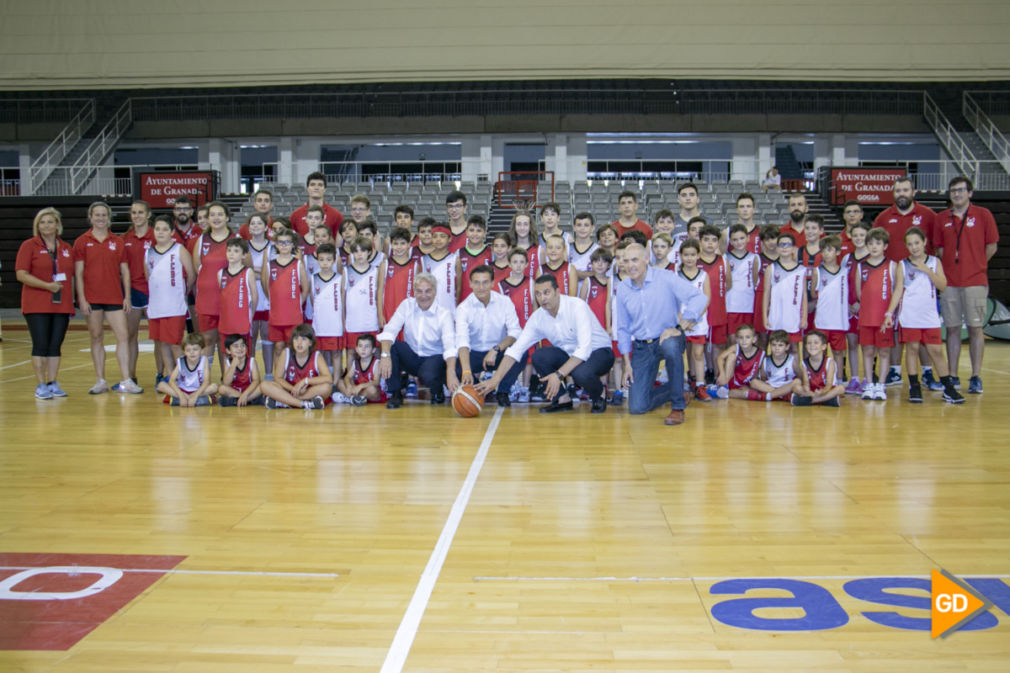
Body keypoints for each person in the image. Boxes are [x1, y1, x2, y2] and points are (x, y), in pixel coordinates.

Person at [476, 273, 614, 413]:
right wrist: (495, 380)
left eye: (546, 292)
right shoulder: (538, 318)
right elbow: (515, 350)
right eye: (538, 294)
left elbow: (584, 350)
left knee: (581, 373)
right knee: (539, 356)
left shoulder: (577, 306)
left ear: (557, 292)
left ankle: (599, 395)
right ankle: (562, 399)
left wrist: (558, 375)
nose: (542, 298)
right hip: (571, 356)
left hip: (600, 352)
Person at [614, 243, 707, 425]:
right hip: (642, 346)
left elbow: (700, 298)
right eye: (626, 261)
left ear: (646, 259)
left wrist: (680, 327)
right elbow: (623, 328)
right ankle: (679, 391)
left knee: (671, 346)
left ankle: (678, 407)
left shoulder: (666, 278)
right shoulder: (623, 288)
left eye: (635, 260)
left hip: (668, 337)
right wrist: (627, 363)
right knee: (637, 407)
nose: (630, 265)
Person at [934, 175, 999, 394]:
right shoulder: (941, 218)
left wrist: (976, 265)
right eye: (953, 191)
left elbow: (991, 246)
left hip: (975, 282)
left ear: (970, 193)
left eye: (961, 190)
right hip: (950, 283)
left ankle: (975, 376)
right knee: (951, 329)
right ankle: (952, 375)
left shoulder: (983, 215)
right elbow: (940, 251)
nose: (957, 194)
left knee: (975, 328)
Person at [73, 201, 141, 394]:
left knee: (123, 336)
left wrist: (127, 296)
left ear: (108, 217)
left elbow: (125, 272)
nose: (101, 218)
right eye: (97, 215)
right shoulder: (81, 241)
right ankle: (100, 380)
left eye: (104, 215)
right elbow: (78, 274)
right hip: (92, 298)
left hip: (114, 298)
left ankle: (126, 380)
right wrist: (82, 299)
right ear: (91, 217)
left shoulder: (118, 242)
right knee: (96, 337)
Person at [15, 207, 76, 399]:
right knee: (40, 344)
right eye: (42, 222)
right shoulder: (29, 245)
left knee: (55, 345)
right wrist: (47, 286)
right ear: (37, 226)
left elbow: (71, 276)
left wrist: (73, 299)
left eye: (50, 222)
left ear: (58, 225)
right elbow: (21, 274)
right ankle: (40, 384)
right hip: (37, 303)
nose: (46, 225)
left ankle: (53, 382)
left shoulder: (66, 248)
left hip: (61, 304)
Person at [898, 228, 964, 404]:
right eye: (910, 244)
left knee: (936, 351)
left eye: (917, 243)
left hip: (929, 315)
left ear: (924, 242)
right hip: (910, 314)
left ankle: (948, 389)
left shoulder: (935, 262)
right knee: (911, 349)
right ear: (906, 246)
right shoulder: (902, 264)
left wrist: (928, 271)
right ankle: (914, 386)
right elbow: (898, 290)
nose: (914, 247)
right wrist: (890, 313)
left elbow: (942, 285)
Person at [379, 273, 458, 409]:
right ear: (414, 292)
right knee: (391, 347)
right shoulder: (407, 305)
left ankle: (437, 390)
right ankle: (396, 394)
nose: (423, 296)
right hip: (412, 356)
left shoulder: (444, 314)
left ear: (434, 291)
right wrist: (385, 355)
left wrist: (450, 372)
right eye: (419, 291)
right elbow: (389, 330)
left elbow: (450, 346)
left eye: (428, 291)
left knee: (427, 374)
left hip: (434, 358)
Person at [454, 265, 524, 407]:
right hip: (473, 353)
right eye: (477, 283)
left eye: (485, 282)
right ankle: (479, 389)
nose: (481, 287)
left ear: (492, 283)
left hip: (497, 353)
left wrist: (496, 349)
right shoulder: (463, 308)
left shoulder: (504, 302)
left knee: (521, 354)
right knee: (452, 367)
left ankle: (502, 391)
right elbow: (462, 341)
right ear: (470, 284)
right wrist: (466, 370)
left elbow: (515, 332)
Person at [145, 215, 195, 385]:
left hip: (174, 306)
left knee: (175, 343)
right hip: (156, 306)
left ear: (172, 232)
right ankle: (170, 376)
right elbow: (149, 278)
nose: (161, 232)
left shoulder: (179, 249)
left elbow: (191, 275)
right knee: (162, 344)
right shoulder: (148, 252)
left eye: (165, 229)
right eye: (157, 229)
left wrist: (182, 292)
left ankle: (183, 377)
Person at [857, 228, 904, 401]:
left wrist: (889, 314)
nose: (874, 246)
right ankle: (869, 383)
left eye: (878, 243)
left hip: (884, 318)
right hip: (867, 317)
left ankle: (881, 385)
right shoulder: (861, 266)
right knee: (867, 351)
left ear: (885, 245)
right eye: (870, 243)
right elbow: (859, 292)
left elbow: (897, 291)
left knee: (884, 352)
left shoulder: (893, 266)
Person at [192, 201, 237, 371]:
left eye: (220, 214)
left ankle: (227, 382)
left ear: (227, 217)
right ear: (208, 218)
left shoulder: (236, 240)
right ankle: (206, 382)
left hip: (229, 300)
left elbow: (244, 266)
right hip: (207, 299)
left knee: (226, 342)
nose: (216, 218)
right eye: (212, 215)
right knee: (208, 340)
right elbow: (198, 269)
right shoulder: (202, 240)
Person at [122, 200, 157, 384]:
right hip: (133, 291)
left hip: (153, 293)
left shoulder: (157, 236)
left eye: (140, 212)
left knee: (158, 336)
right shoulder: (125, 238)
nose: (137, 216)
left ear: (148, 214)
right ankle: (130, 376)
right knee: (130, 335)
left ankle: (162, 375)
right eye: (134, 212)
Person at [262, 229, 310, 362]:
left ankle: (293, 376)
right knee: (278, 346)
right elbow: (266, 288)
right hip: (276, 314)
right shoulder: (269, 265)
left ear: (293, 245)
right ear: (276, 245)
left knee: (294, 346)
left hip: (293, 315)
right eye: (281, 242)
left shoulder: (298, 264)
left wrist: (298, 303)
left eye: (287, 242)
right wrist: (275, 302)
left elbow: (305, 288)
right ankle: (279, 378)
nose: (284, 245)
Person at [260, 324, 331, 409]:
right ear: (292, 341)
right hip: (289, 390)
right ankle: (304, 404)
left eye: (304, 339)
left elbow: (328, 378)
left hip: (307, 391)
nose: (299, 343)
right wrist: (293, 389)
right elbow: (278, 378)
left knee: (327, 387)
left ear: (310, 343)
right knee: (264, 385)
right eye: (296, 339)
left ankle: (285, 402)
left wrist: (305, 381)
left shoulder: (316, 356)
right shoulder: (286, 353)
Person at [810, 236, 849, 386]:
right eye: (823, 250)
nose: (826, 253)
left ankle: (838, 380)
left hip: (838, 320)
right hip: (822, 320)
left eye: (830, 250)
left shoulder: (845, 271)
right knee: (820, 352)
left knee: (839, 352)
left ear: (838, 252)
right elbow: (814, 293)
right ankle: (821, 379)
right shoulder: (817, 272)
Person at [676, 240, 712, 400]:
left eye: (692, 254)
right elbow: (672, 299)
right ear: (681, 256)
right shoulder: (675, 275)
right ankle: (679, 385)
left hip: (698, 321)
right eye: (686, 255)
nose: (689, 258)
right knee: (678, 354)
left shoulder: (704, 275)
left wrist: (694, 318)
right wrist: (681, 319)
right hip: (680, 320)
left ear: (698, 255)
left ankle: (700, 385)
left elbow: (707, 299)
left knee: (698, 354)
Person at [343, 236, 385, 371]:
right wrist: (343, 318)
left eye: (363, 251)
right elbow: (343, 296)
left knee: (375, 350)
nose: (359, 254)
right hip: (353, 319)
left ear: (369, 252)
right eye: (356, 251)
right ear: (352, 253)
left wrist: (379, 316)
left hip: (370, 317)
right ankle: (349, 379)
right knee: (351, 351)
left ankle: (378, 380)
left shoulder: (376, 270)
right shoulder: (346, 270)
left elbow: (379, 294)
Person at [763, 233, 806, 350]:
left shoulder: (801, 270)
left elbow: (804, 295)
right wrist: (764, 316)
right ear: (777, 248)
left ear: (793, 248)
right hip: (776, 316)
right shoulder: (771, 268)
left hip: (793, 316)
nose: (784, 247)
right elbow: (766, 293)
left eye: (788, 244)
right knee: (776, 348)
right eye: (781, 244)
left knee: (794, 349)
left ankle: (795, 369)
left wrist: (804, 317)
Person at [246, 213, 275, 379]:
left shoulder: (273, 247)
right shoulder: (244, 246)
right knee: (249, 336)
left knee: (266, 335)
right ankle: (248, 374)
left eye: (259, 223)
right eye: (252, 223)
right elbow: (243, 270)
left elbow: (272, 273)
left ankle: (269, 374)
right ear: (248, 227)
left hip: (267, 296)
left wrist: (257, 271)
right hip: (249, 296)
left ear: (266, 227)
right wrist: (262, 272)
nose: (255, 226)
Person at [310, 243, 345, 374]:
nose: (325, 263)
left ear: (334, 260)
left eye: (328, 259)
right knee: (322, 353)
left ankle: (336, 381)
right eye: (321, 259)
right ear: (317, 260)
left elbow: (342, 301)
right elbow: (313, 301)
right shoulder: (313, 278)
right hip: (320, 324)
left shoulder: (340, 278)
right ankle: (325, 379)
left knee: (336, 353)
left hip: (335, 324)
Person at [156, 332, 217, 406]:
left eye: (195, 349)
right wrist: (181, 396)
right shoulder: (181, 361)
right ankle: (188, 399)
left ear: (202, 350)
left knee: (214, 387)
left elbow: (206, 381)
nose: (192, 352)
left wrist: (195, 395)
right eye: (188, 350)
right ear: (184, 352)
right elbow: (172, 381)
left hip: (198, 390)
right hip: (182, 390)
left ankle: (185, 399)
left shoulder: (204, 360)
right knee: (161, 385)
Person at [217, 238, 257, 344]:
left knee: (242, 352)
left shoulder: (248, 272)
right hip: (226, 322)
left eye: (236, 251)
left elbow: (254, 297)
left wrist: (250, 316)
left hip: (242, 321)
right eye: (229, 250)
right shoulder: (220, 273)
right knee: (227, 353)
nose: (231, 254)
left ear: (244, 255)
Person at [725, 224, 760, 345]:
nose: (739, 242)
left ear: (748, 238)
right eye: (735, 239)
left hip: (748, 304)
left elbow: (755, 281)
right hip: (731, 304)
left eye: (741, 238)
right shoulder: (725, 258)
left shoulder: (755, 258)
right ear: (730, 241)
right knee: (733, 339)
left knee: (749, 340)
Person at [791, 331, 845, 406]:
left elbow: (829, 384)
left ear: (824, 346)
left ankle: (811, 401)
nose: (812, 345)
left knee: (841, 388)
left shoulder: (830, 362)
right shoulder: (804, 363)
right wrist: (808, 391)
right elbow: (806, 383)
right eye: (809, 343)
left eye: (816, 343)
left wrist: (822, 392)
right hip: (812, 390)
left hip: (827, 390)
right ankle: (826, 400)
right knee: (796, 388)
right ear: (806, 346)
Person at [714, 324, 765, 400]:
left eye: (747, 337)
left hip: (746, 384)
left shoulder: (761, 353)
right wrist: (722, 374)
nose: (744, 340)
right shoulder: (736, 347)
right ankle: (724, 387)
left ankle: (726, 393)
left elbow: (762, 374)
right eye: (741, 337)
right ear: (737, 340)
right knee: (732, 356)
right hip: (731, 380)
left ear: (754, 339)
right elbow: (720, 358)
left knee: (750, 392)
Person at [333, 334, 386, 405]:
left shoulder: (377, 363)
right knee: (340, 382)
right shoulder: (355, 362)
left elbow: (376, 382)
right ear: (356, 349)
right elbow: (347, 377)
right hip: (359, 390)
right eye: (360, 346)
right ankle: (353, 398)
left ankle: (350, 398)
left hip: (372, 392)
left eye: (367, 346)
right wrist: (349, 386)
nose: (363, 349)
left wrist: (361, 386)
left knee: (372, 389)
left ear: (373, 350)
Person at [751, 330, 804, 401]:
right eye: (774, 345)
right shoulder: (766, 361)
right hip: (771, 387)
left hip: (787, 387)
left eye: (780, 345)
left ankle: (771, 395)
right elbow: (763, 378)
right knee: (754, 382)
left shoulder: (791, 360)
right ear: (770, 345)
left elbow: (800, 375)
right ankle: (780, 395)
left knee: (797, 382)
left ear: (787, 347)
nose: (777, 348)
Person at [420, 222, 460, 316]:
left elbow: (458, 288)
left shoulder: (455, 260)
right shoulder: (424, 260)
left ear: (449, 239)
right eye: (435, 236)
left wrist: (456, 309)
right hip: (428, 310)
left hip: (449, 310)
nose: (438, 239)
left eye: (442, 236)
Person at [290, 171, 343, 237]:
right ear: (307, 188)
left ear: (325, 189)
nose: (316, 188)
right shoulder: (295, 215)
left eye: (320, 185)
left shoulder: (336, 216)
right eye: (312, 185)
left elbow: (338, 242)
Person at [383, 227, 419, 324]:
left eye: (402, 243)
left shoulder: (415, 265)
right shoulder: (385, 264)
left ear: (409, 245)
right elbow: (379, 291)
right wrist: (380, 314)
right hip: (388, 312)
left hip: (408, 312)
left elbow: (417, 291)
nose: (399, 247)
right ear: (391, 245)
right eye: (395, 243)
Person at [218, 334, 264, 407]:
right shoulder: (228, 363)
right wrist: (233, 366)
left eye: (242, 345)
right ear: (228, 350)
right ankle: (248, 400)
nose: (240, 348)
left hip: (250, 391)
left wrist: (245, 394)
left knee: (262, 386)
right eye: (236, 346)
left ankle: (238, 400)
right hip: (235, 392)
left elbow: (256, 381)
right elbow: (226, 383)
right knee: (221, 388)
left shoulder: (252, 361)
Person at [456, 215, 492, 302]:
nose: (475, 234)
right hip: (464, 301)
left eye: (479, 231)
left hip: (485, 301)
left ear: (485, 233)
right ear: (466, 232)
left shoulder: (491, 253)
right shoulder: (459, 253)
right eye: (471, 230)